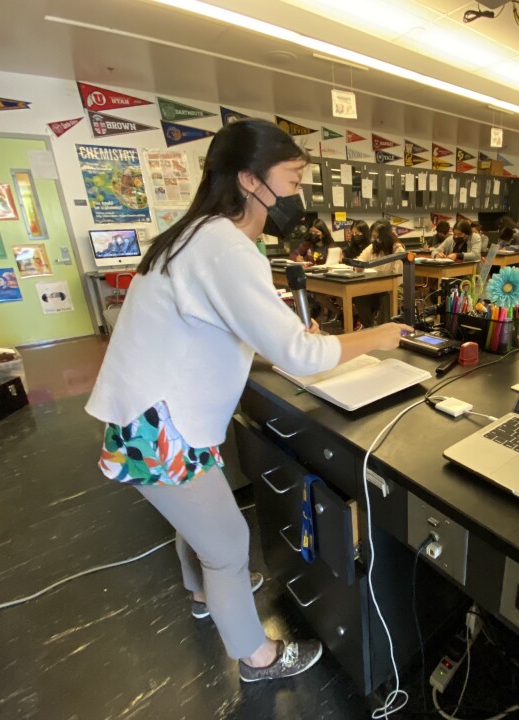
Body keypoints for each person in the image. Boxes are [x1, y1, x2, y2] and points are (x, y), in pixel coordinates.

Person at [85, 119, 409, 684]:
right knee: (230, 543)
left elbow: (211, 327)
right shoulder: (223, 247)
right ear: (248, 179)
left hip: (152, 414)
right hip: (163, 425)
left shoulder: (194, 234)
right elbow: (301, 352)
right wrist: (379, 337)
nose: (297, 195)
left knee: (199, 523)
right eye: (292, 178)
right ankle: (257, 657)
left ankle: (203, 595)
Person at [353, 219, 405, 327]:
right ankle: (369, 328)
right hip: (374, 287)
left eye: (378, 237)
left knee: (386, 297)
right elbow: (360, 260)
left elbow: (398, 280)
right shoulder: (372, 247)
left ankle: (384, 329)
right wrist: (358, 266)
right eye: (373, 237)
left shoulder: (398, 250)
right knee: (359, 297)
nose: (375, 240)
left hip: (392, 289)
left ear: (386, 236)